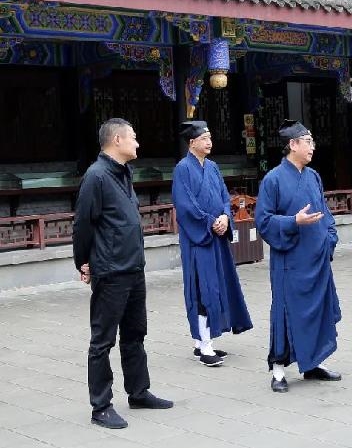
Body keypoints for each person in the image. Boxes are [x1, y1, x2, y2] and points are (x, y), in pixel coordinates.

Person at [72, 118, 173, 430]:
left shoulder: (124, 172)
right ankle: (101, 406)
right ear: (117, 140)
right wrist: (83, 261)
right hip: (111, 270)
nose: (137, 143)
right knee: (102, 341)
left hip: (133, 267)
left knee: (135, 334)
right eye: (133, 137)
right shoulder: (97, 176)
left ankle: (138, 392)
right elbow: (83, 224)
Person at [254, 119, 342, 393]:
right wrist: (293, 221)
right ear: (293, 145)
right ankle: (279, 371)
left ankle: (313, 363)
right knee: (285, 312)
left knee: (318, 310)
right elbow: (263, 221)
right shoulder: (273, 179)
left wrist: (329, 237)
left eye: (312, 142)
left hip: (316, 257)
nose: (312, 147)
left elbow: (324, 211)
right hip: (290, 261)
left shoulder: (313, 176)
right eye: (308, 142)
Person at [172, 120, 253, 368]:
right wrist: (210, 222)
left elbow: (223, 197)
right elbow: (185, 206)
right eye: (204, 138)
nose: (209, 142)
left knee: (218, 286)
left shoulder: (213, 167)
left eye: (210, 138)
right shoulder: (182, 169)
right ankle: (205, 345)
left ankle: (203, 342)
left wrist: (225, 217)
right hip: (198, 240)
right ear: (192, 142)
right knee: (202, 289)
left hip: (216, 237)